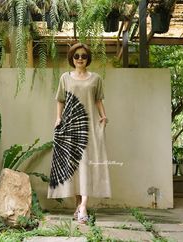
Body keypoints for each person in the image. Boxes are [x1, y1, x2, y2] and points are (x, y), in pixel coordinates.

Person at [48, 43, 111, 224]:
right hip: (70, 127)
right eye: (77, 56)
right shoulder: (65, 78)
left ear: (88, 58)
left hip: (89, 127)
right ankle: (78, 205)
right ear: (72, 59)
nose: (80, 59)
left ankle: (83, 206)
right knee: (75, 167)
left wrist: (104, 116)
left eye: (83, 56)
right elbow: (60, 100)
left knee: (87, 165)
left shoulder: (96, 79)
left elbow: (98, 100)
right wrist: (58, 119)